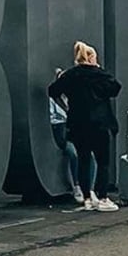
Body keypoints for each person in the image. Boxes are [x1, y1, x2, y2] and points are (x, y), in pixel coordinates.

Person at [48, 42, 123, 212]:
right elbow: (115, 88)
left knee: (84, 160)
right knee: (103, 161)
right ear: (91, 57)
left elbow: (53, 91)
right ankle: (103, 197)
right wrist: (99, 69)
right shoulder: (100, 75)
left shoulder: (71, 75)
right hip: (100, 123)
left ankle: (87, 198)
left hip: (79, 124)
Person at [49, 69, 85, 204]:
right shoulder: (53, 99)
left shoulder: (74, 98)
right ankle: (77, 186)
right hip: (62, 132)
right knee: (73, 153)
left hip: (75, 131)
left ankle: (90, 189)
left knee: (90, 154)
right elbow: (54, 118)